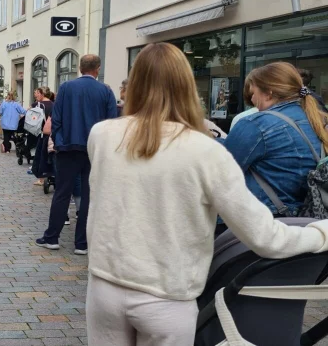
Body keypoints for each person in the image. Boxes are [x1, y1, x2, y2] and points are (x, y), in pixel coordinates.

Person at [84, 42, 328, 345]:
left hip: (105, 288)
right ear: (187, 85)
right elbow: (265, 238)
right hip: (168, 298)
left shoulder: (102, 135)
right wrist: (320, 234)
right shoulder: (205, 152)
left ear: (134, 84)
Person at [221, 62, 328, 226]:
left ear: (268, 93)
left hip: (262, 224)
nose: (252, 100)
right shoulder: (318, 120)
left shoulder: (257, 124)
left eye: (253, 93)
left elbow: (220, 173)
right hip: (308, 222)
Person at [37, 54, 117, 255]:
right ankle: (82, 243)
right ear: (97, 69)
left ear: (80, 68)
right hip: (93, 150)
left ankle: (52, 237)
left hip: (67, 148)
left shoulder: (66, 88)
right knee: (89, 196)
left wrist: (59, 139)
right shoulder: (106, 91)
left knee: (62, 193)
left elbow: (57, 117)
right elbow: (111, 123)